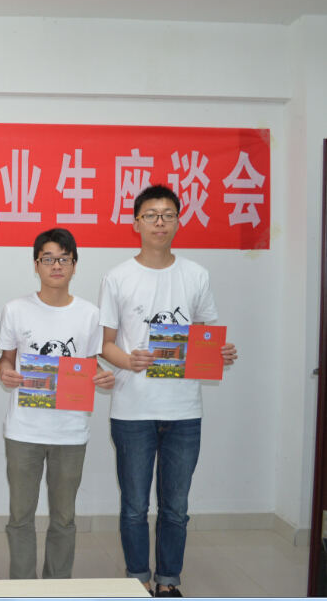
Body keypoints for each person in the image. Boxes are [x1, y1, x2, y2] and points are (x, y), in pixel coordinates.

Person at [98, 185, 238, 597]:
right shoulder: (117, 277)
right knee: (134, 507)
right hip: (132, 410)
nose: (159, 222)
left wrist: (219, 352)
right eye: (151, 215)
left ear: (178, 221)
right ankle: (138, 580)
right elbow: (105, 344)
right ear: (136, 222)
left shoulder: (196, 274)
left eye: (168, 214)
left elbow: (204, 338)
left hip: (184, 410)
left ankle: (168, 582)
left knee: (176, 508)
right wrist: (129, 361)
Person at [0, 228, 115, 580]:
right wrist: (5, 372)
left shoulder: (90, 313)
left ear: (75, 265)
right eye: (48, 259)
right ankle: (23, 588)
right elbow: (6, 359)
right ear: (36, 265)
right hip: (23, 431)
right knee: (21, 518)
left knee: (64, 519)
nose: (56, 265)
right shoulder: (15, 309)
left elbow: (90, 365)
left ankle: (57, 587)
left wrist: (103, 377)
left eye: (64, 259)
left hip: (70, 432)